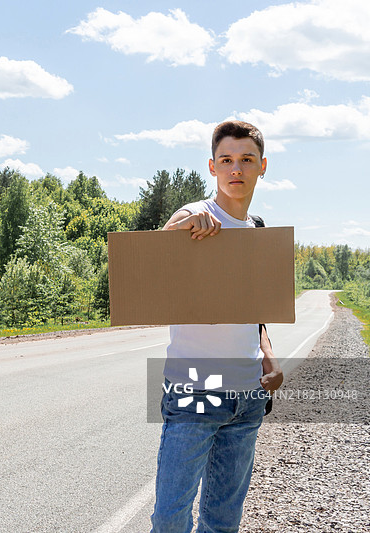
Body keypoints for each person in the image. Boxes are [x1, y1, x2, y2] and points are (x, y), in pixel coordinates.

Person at [150, 120, 284, 533]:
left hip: (247, 397)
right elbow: (152, 261)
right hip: (194, 390)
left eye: (246, 159)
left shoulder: (257, 230)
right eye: (226, 160)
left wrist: (269, 358)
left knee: (223, 521)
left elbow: (256, 312)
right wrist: (181, 229)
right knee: (171, 519)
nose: (236, 169)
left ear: (262, 166)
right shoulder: (195, 215)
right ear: (212, 167)